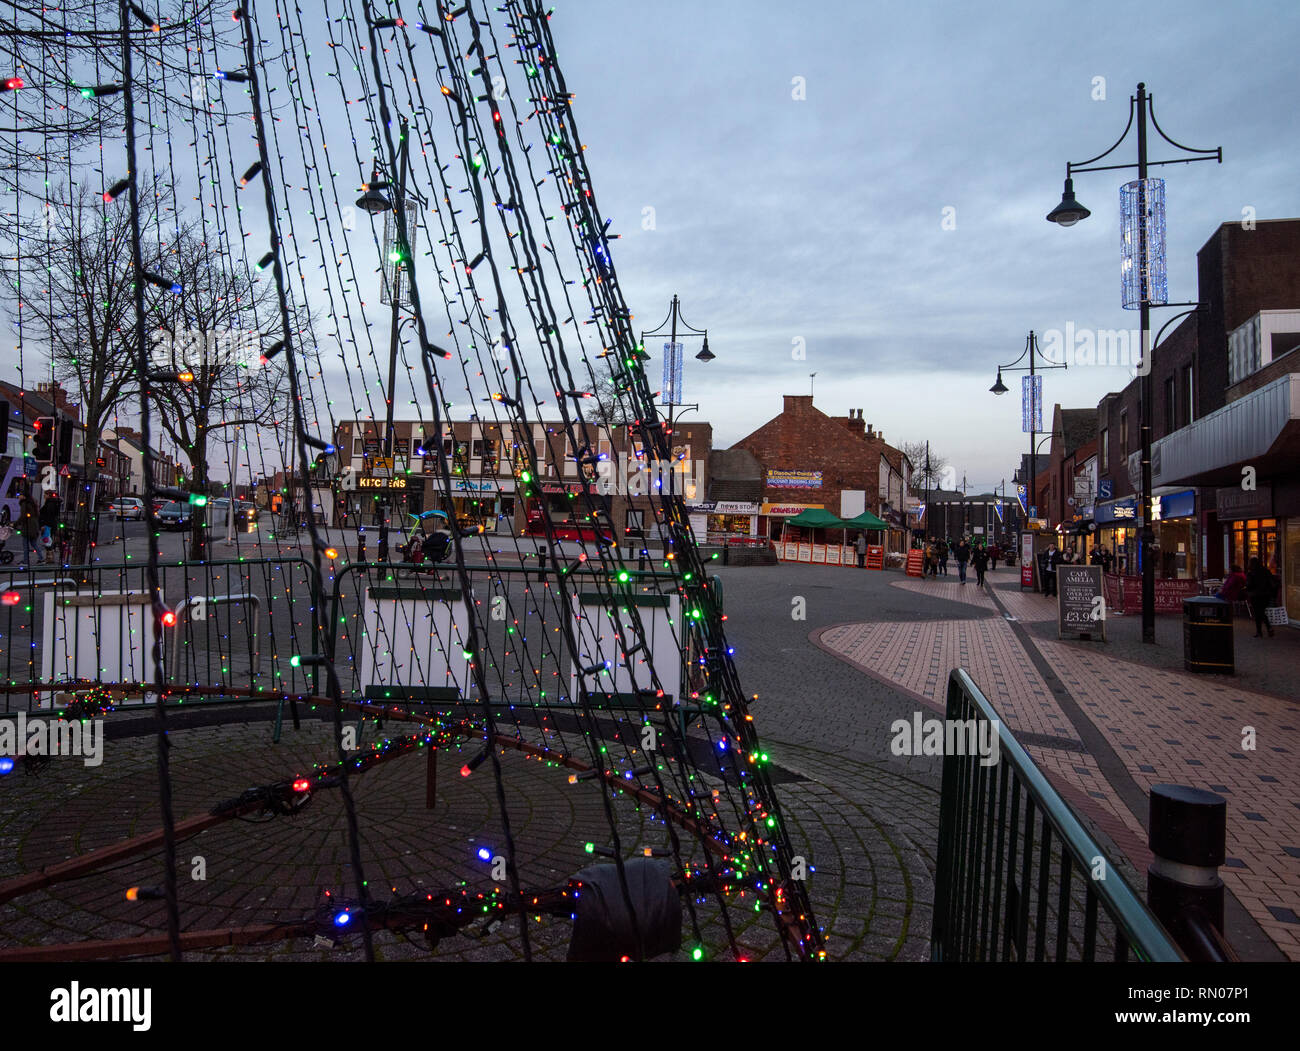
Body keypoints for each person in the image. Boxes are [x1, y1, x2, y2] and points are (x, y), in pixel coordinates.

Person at [1245, 556, 1278, 638]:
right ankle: (1268, 628)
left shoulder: (1251, 573)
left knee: (1258, 613)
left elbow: (1249, 585)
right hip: (1266, 595)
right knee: (1261, 612)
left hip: (1255, 595)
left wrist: (1247, 589)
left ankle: (1260, 631)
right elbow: (1272, 582)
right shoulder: (1266, 571)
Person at [17, 488, 42, 567]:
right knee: (34, 543)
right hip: (34, 526)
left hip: (28, 527)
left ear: (24, 496)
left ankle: (25, 560)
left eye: (20, 495)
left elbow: (23, 516)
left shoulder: (24, 504)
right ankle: (41, 558)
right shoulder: (32, 504)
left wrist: (15, 524)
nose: (18, 496)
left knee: (25, 544)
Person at [39, 492, 60, 564]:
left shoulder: (50, 504)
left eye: (45, 494)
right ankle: (49, 557)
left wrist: (43, 524)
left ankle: (49, 558)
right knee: (48, 540)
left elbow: (48, 515)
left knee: (47, 540)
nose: (44, 495)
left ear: (49, 495)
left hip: (48, 525)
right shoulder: (52, 503)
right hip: (50, 524)